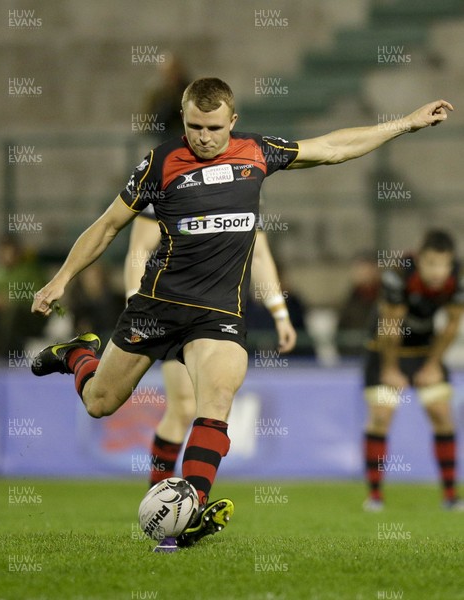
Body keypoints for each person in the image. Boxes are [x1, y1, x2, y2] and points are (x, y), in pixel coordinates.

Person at [30, 77, 452, 550]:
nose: (203, 137)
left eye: (213, 127)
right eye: (194, 126)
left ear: (233, 121)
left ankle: (188, 513)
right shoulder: (159, 164)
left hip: (218, 316)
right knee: (99, 403)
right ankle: (78, 354)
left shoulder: (256, 153)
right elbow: (108, 226)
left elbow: (333, 146)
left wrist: (405, 123)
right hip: (157, 308)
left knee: (215, 402)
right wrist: (61, 278)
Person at [124, 211, 297, 489]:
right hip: (173, 308)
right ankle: (158, 493)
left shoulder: (248, 174)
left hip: (222, 313)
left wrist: (280, 313)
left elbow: (260, 254)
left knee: (215, 408)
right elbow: (140, 248)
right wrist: (135, 303)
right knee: (182, 407)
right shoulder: (168, 170)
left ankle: (195, 498)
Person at [363, 230, 464, 511]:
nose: (437, 271)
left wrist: (432, 365)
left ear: (451, 262)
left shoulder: (459, 278)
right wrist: (390, 369)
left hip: (423, 352)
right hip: (383, 349)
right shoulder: (398, 274)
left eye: (443, 264)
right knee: (381, 415)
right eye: (431, 263)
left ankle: (450, 496)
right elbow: (390, 327)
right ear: (420, 260)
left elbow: (452, 325)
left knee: (442, 413)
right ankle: (374, 497)